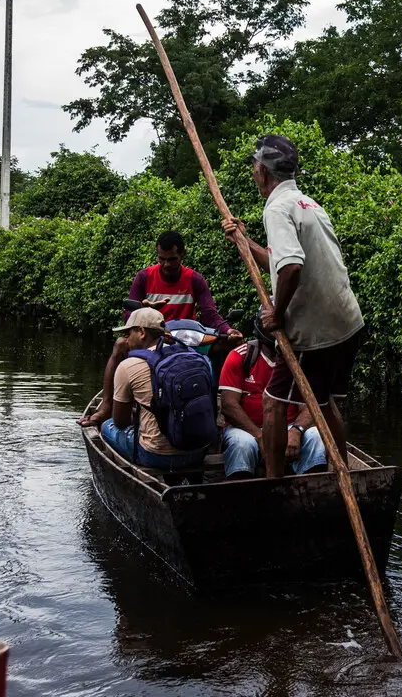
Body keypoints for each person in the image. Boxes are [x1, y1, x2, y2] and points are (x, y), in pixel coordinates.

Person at [221, 134, 365, 478]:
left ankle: (272, 484)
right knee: (325, 402)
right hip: (348, 324)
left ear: (264, 172)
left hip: (314, 330)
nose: (254, 174)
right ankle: (341, 474)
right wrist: (243, 240)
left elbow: (291, 267)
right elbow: (279, 260)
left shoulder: (276, 207)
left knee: (273, 402)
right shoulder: (307, 204)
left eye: (255, 168)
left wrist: (277, 311)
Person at [78, 230, 240, 427]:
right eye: (161, 259)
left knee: (229, 346)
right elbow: (129, 316)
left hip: (185, 340)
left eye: (172, 259)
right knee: (121, 345)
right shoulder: (144, 277)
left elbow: (209, 314)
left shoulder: (194, 279)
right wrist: (145, 309)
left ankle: (214, 413)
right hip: (152, 338)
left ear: (183, 255)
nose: (166, 265)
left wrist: (228, 331)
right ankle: (106, 406)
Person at [97, 307, 209, 471]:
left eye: (129, 334)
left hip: (156, 455)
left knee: (107, 426)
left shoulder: (128, 365)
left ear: (141, 332)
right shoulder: (195, 357)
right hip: (199, 452)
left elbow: (121, 422)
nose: (126, 340)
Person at [217, 319, 328, 479]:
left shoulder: (297, 359)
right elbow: (228, 405)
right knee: (241, 445)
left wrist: (296, 431)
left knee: (316, 436)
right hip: (246, 430)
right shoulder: (240, 356)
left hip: (288, 427)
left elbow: (309, 406)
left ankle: (312, 487)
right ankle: (242, 492)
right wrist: (261, 437)